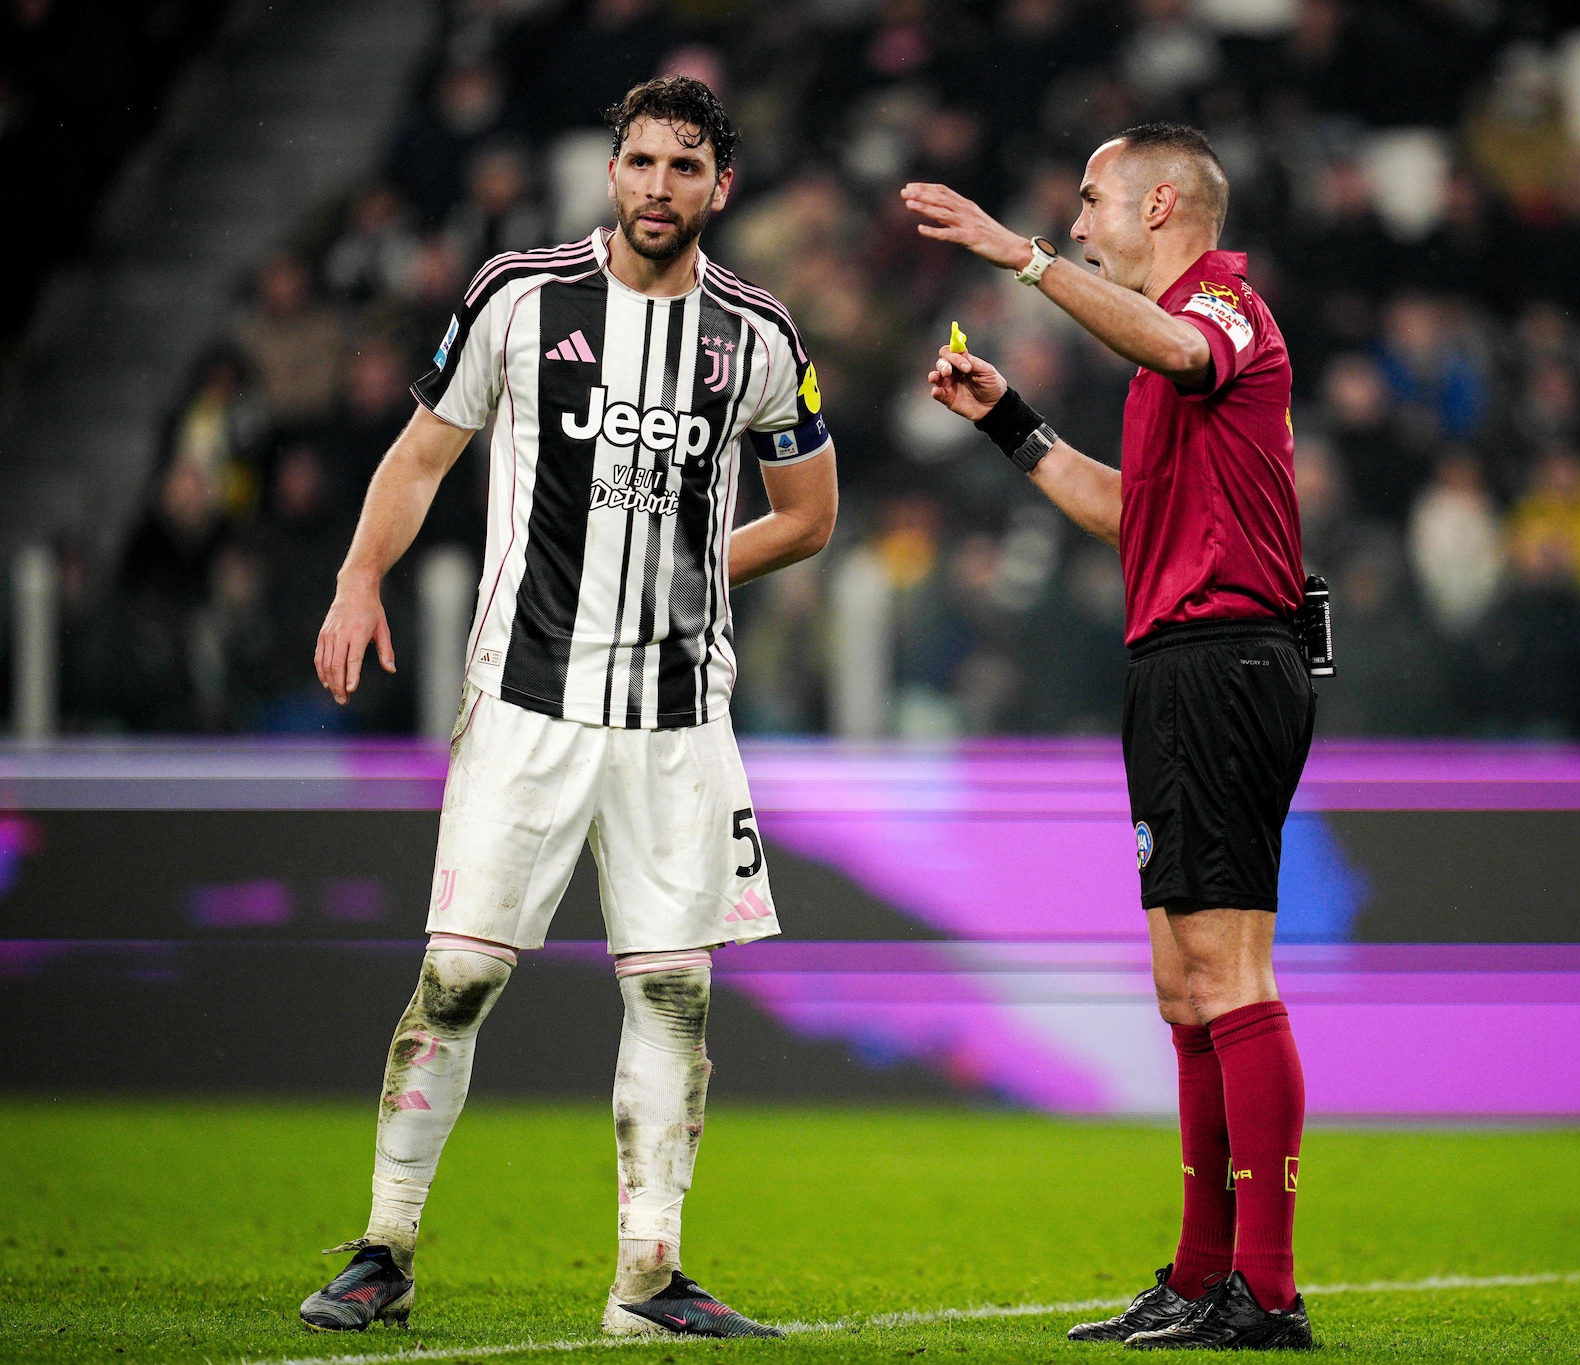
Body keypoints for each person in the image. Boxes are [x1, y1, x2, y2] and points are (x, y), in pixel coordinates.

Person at [298, 76, 837, 1340]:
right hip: (527, 701)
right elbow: (423, 451)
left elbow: (809, 518)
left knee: (673, 994)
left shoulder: (759, 335)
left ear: (722, 185)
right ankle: (384, 1248)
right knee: (459, 977)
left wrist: (698, 568)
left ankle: (648, 1278)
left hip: (677, 719)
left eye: (684, 166)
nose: (659, 186)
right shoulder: (517, 296)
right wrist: (356, 578)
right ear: (612, 171)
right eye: (640, 161)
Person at [903, 123, 1315, 1352]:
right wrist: (1011, 423)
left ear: (1162, 204)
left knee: (1229, 974)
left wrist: (1017, 257)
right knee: (1180, 986)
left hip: (1227, 664)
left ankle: (1268, 1292)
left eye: (1090, 203)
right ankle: (1198, 1279)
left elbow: (1182, 346)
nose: (1078, 223)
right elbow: (1131, 515)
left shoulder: (1224, 314)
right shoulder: (1160, 365)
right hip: (1173, 664)